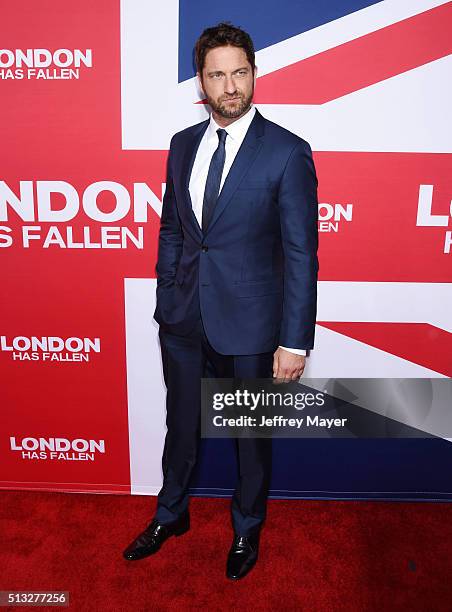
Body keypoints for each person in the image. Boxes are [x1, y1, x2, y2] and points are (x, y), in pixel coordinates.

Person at [123, 22, 319, 580]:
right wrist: (167, 293)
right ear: (201, 83)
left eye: (239, 73)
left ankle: (246, 530)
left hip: (254, 327)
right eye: (217, 76)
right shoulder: (182, 145)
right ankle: (171, 513)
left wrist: (293, 339)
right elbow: (172, 229)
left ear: (253, 74)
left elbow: (302, 254)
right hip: (184, 319)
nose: (230, 86)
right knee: (180, 425)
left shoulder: (286, 152)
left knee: (249, 439)